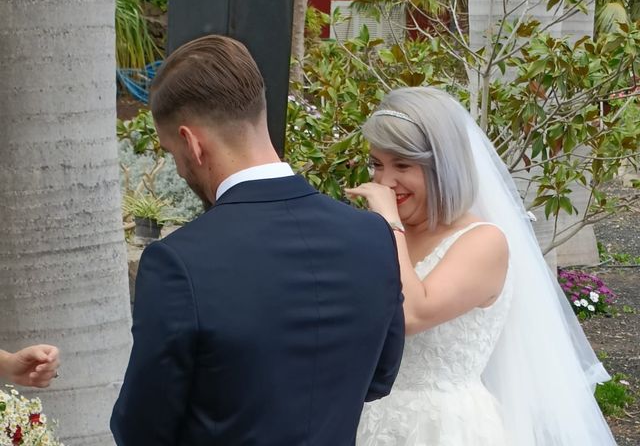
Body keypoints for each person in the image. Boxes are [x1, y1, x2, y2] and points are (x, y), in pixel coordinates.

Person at [110, 35, 405, 446]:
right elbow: (380, 377)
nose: (178, 168)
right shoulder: (373, 236)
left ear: (192, 143)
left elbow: (141, 429)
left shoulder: (177, 263)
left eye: (171, 152)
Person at [346, 86, 617, 445]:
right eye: (377, 164)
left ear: (444, 167)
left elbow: (411, 313)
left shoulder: (484, 242)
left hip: (444, 428)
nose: (384, 182)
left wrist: (389, 224)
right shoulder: (385, 231)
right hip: (367, 419)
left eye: (403, 165)